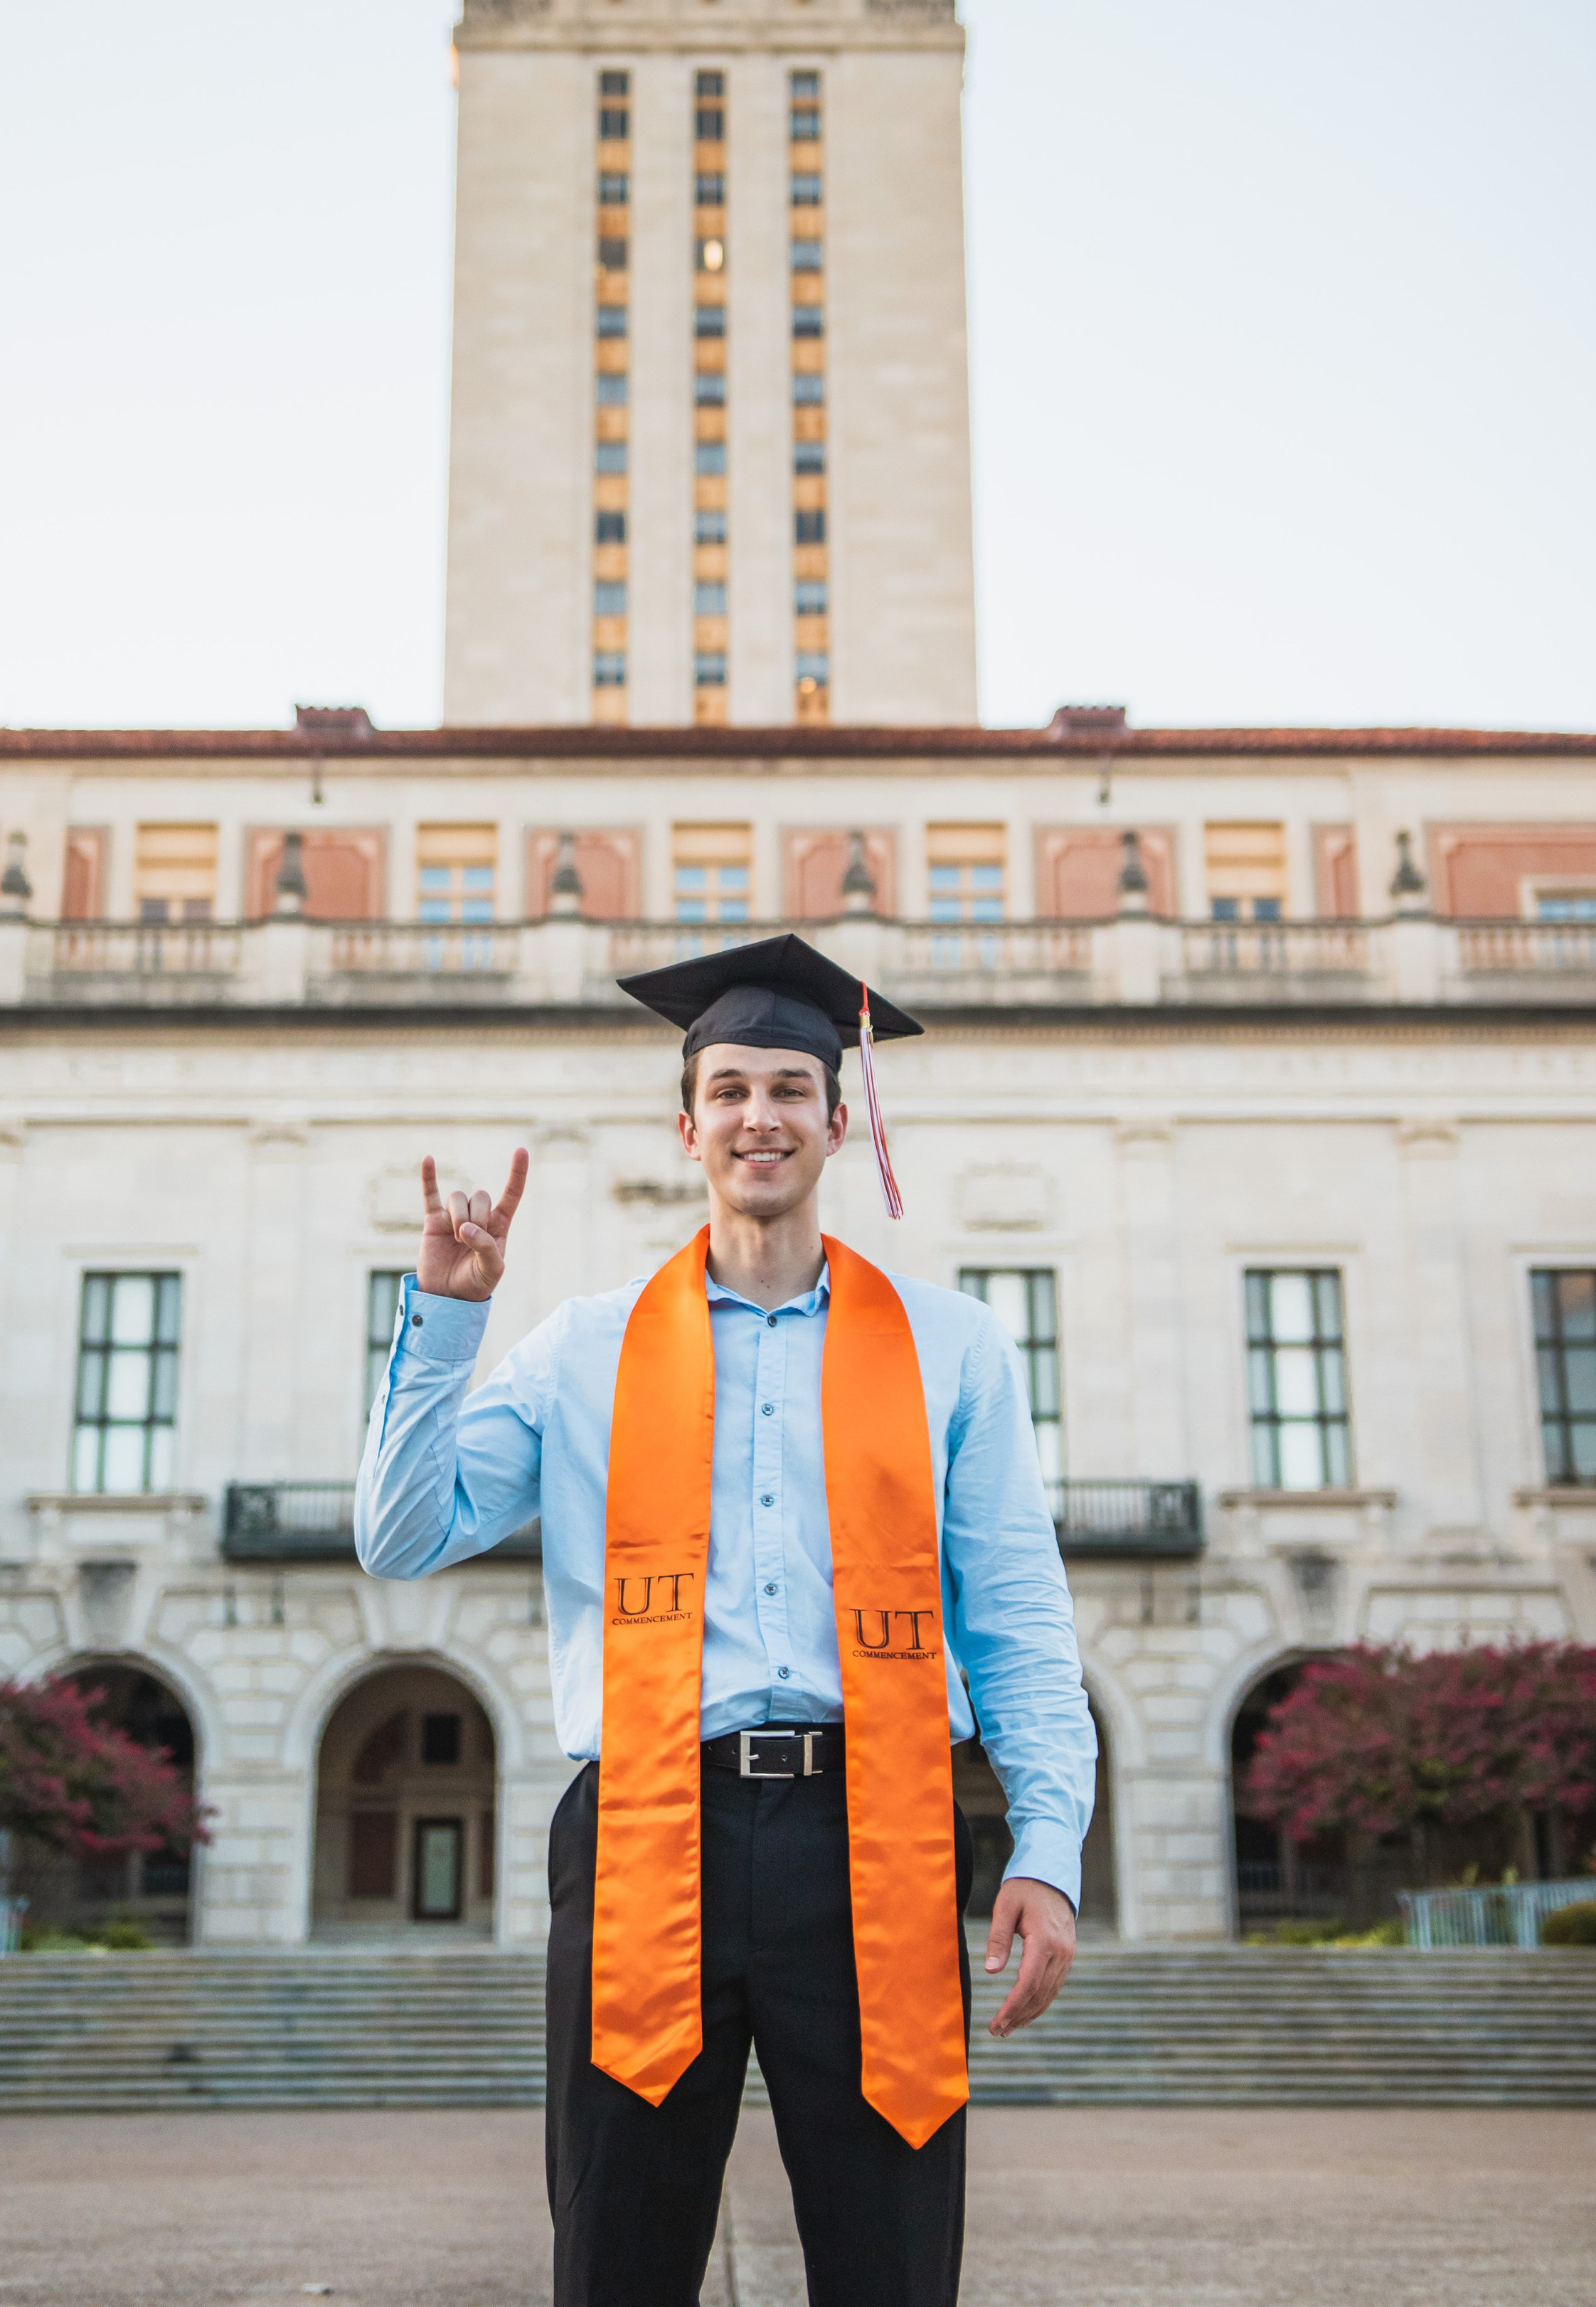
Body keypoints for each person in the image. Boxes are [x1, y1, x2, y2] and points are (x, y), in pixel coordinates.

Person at [356, 933, 1095, 2307]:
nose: (763, 1116)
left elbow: (1018, 1619)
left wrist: (1047, 1849)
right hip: (647, 1825)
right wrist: (446, 1326)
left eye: (793, 1090)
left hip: (874, 1832)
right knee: (620, 2257)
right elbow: (403, 1538)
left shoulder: (953, 1349)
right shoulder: (583, 1347)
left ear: (838, 1117)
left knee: (891, 2257)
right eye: (734, 1088)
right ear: (686, 1122)